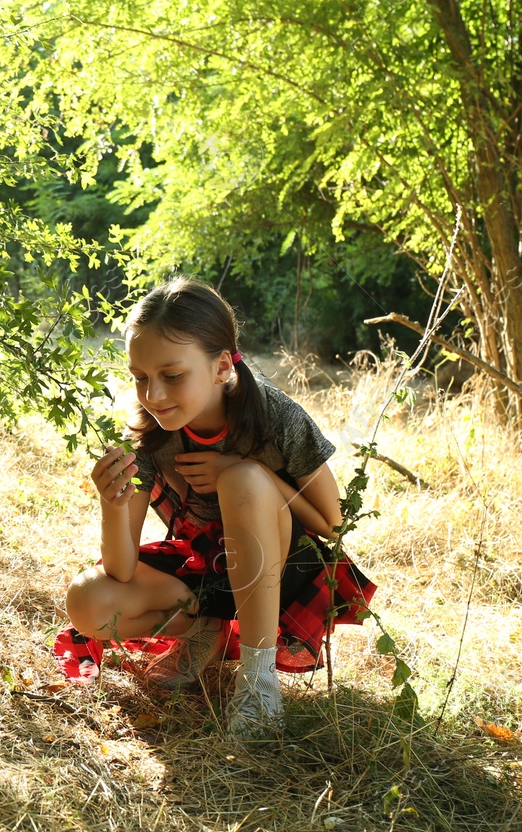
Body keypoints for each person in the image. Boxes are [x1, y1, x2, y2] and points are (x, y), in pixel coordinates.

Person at [52, 278, 375, 742]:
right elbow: (120, 572)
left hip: (280, 575)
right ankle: (203, 629)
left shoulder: (274, 417)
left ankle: (259, 682)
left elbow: (333, 524)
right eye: (140, 378)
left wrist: (247, 469)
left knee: (241, 480)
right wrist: (111, 504)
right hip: (206, 570)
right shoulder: (149, 437)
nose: (154, 395)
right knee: (87, 599)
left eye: (172, 375)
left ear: (221, 365)